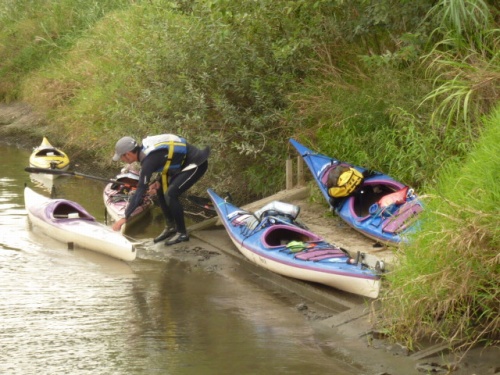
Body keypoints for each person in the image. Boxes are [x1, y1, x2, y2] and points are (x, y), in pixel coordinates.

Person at [111, 134, 210, 245]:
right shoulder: (145, 152)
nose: (122, 160)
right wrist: (157, 180)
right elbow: (168, 160)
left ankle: (182, 233)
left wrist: (125, 217)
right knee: (160, 189)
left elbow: (140, 190)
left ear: (128, 154)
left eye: (122, 157)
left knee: (171, 194)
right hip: (182, 164)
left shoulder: (148, 160)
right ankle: (171, 227)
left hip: (196, 164)